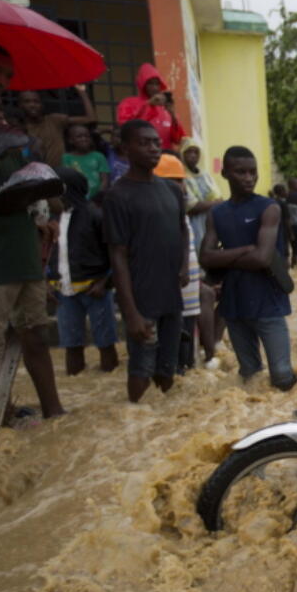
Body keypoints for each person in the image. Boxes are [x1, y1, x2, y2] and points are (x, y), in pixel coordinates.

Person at [0, 80, 66, 440]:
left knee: (36, 335)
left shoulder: (12, 148)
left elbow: (22, 199)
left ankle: (54, 410)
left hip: (25, 257)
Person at [103, 120, 189, 402]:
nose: (154, 148)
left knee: (168, 369)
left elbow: (182, 230)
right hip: (142, 300)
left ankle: (163, 424)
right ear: (126, 149)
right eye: (144, 142)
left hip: (172, 297)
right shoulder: (118, 195)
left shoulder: (172, 190)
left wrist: (184, 266)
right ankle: (133, 420)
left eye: (156, 142)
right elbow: (118, 255)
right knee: (140, 369)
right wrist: (130, 314)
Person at [199, 146, 296, 390]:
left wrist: (222, 256)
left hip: (268, 303)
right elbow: (205, 257)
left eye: (253, 172)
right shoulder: (217, 213)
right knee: (250, 377)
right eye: (240, 172)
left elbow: (262, 259)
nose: (249, 178)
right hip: (235, 305)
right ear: (225, 174)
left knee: (283, 377)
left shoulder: (269, 208)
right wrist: (244, 250)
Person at [47, 167, 117, 375]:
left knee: (105, 342)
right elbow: (47, 253)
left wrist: (105, 282)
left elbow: (115, 253)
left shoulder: (95, 215)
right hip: (63, 291)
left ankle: (108, 380)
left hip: (94, 288)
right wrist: (47, 281)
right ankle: (75, 382)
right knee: (70, 344)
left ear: (66, 190)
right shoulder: (53, 218)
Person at [153, 152, 207, 371]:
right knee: (171, 335)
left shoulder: (179, 210)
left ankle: (186, 367)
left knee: (188, 327)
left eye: (180, 180)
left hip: (189, 285)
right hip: (169, 286)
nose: (178, 186)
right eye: (172, 181)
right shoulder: (157, 212)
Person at [16, 86, 97, 167]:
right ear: (20, 105)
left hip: (61, 173)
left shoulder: (54, 120)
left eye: (36, 101)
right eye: (27, 102)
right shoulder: (19, 129)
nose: (32, 105)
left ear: (41, 104)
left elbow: (90, 118)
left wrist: (82, 92)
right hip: (36, 175)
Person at [116, 63, 185, 151]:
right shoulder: (128, 103)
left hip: (164, 159)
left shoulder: (165, 109)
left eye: (157, 84)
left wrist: (173, 115)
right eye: (150, 84)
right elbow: (125, 127)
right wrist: (148, 104)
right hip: (140, 156)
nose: (154, 88)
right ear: (143, 84)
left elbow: (179, 140)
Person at [179, 138, 221, 247]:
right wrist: (214, 203)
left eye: (196, 152)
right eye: (189, 151)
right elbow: (191, 207)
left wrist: (208, 204)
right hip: (193, 223)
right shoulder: (181, 176)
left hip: (210, 221)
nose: (193, 155)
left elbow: (220, 198)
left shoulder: (205, 175)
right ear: (182, 153)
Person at [61, 124, 109, 199]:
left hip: (97, 199)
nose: (84, 139)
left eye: (87, 136)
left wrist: (99, 196)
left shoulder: (99, 156)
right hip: (77, 199)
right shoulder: (66, 158)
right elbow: (66, 181)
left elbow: (104, 180)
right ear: (71, 140)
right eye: (79, 136)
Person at [285, 177, 297, 267]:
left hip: (289, 228)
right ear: (293, 185)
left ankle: (293, 267)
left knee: (295, 249)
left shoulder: (286, 196)